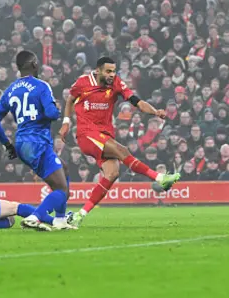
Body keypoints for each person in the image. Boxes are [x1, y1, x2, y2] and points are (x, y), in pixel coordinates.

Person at [60, 56, 181, 227]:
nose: (112, 74)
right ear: (98, 71)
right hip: (86, 134)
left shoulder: (116, 83)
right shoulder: (82, 82)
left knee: (112, 174)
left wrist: (155, 112)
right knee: (122, 150)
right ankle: (160, 178)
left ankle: (79, 216)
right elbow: (70, 99)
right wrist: (66, 122)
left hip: (105, 135)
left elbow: (137, 102)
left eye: (114, 71)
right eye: (108, 71)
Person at [0, 50, 75, 231]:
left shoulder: (10, 90)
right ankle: (35, 217)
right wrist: (56, 109)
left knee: (64, 169)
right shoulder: (41, 86)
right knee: (62, 190)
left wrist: (7, 145)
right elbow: (52, 114)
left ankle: (60, 219)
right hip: (37, 142)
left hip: (21, 143)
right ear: (35, 64)